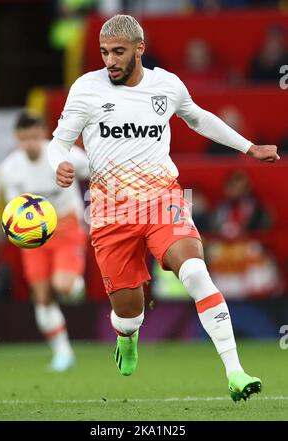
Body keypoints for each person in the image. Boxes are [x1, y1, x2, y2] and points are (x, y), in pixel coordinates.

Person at [48, 15, 279, 401]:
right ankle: (128, 335)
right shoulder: (86, 89)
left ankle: (236, 372)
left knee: (195, 272)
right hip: (110, 211)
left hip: (163, 198)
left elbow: (198, 118)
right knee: (129, 314)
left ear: (140, 48)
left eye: (118, 52)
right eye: (104, 52)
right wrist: (62, 163)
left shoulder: (167, 85)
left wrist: (248, 148)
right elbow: (59, 142)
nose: (110, 60)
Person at [0, 111, 90, 371]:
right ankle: (63, 352)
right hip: (33, 236)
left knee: (63, 286)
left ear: (44, 134)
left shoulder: (63, 154)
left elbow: (94, 169)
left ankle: (76, 287)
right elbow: (13, 210)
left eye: (34, 137)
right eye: (24, 138)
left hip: (65, 226)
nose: (30, 144)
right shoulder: (10, 168)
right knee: (41, 295)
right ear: (17, 138)